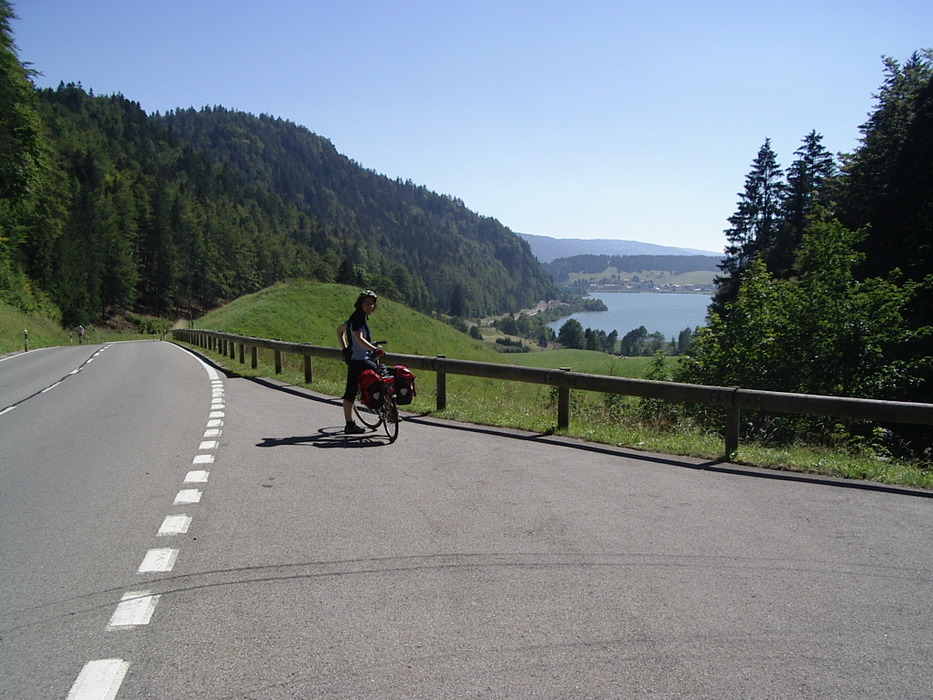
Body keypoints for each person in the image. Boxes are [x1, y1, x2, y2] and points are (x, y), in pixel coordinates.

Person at [337, 290, 384, 434]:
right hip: (358, 359)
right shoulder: (357, 318)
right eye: (367, 303)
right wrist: (374, 349)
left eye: (372, 303)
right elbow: (359, 339)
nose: (370, 306)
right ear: (360, 304)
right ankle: (389, 413)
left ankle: (349, 425)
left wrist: (345, 348)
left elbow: (340, 331)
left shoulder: (358, 317)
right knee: (380, 375)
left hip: (353, 359)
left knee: (350, 390)